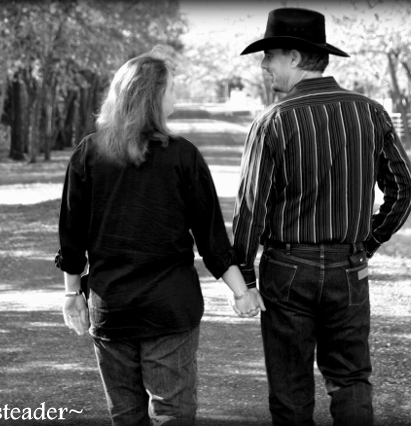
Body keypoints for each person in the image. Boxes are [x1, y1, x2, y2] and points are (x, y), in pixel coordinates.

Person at [55, 50, 265, 426]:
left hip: (111, 306)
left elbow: (72, 238)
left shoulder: (87, 153)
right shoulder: (183, 156)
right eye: (171, 90)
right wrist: (241, 291)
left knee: (125, 414)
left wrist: (72, 295)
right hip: (169, 308)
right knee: (173, 413)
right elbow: (212, 238)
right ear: (154, 97)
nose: (176, 98)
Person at [233, 8, 411, 426]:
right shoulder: (370, 112)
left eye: (270, 56)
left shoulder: (272, 121)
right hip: (349, 267)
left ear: (296, 58)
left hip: (287, 270)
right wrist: (366, 244)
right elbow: (405, 189)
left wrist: (243, 276)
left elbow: (251, 208)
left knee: (290, 387)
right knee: (351, 380)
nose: (263, 66)